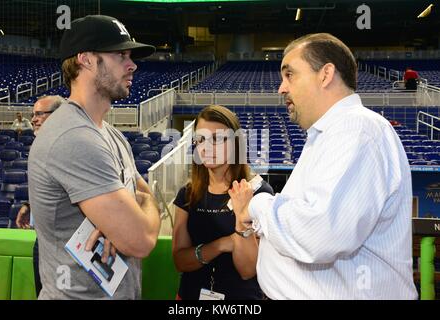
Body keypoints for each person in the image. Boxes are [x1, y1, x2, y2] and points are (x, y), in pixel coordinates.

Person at [228, 33, 417, 299]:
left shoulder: (356, 129)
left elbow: (319, 233)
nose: (281, 88)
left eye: (290, 75)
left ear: (325, 74)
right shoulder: (329, 133)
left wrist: (257, 206)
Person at [28, 15, 160, 299]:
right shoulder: (73, 137)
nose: (132, 64)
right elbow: (141, 241)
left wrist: (129, 214)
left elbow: (143, 195)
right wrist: (141, 209)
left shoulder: (111, 134)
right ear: (86, 60)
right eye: (120, 55)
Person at [172, 105, 274, 300]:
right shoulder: (187, 195)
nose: (206, 147)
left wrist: (241, 218)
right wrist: (221, 245)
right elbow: (180, 261)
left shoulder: (258, 192)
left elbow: (248, 270)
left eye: (217, 139)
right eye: (201, 139)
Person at [15, 95, 65, 297]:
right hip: (42, 239)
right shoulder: (41, 147)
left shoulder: (68, 148)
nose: (34, 119)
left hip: (63, 245)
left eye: (39, 114)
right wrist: (29, 204)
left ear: (58, 116)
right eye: (32, 114)